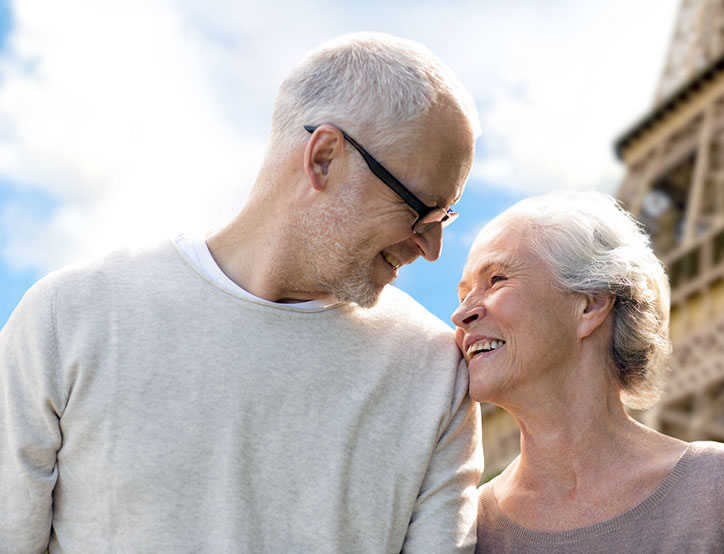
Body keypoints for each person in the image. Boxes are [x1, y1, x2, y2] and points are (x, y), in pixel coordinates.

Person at [1, 32, 482, 553]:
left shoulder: (436, 374)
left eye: (446, 218)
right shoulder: (66, 319)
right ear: (323, 159)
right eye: (421, 211)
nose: (432, 248)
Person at [452, 191, 724, 553]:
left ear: (590, 305)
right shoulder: (466, 530)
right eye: (462, 295)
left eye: (496, 279)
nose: (461, 314)